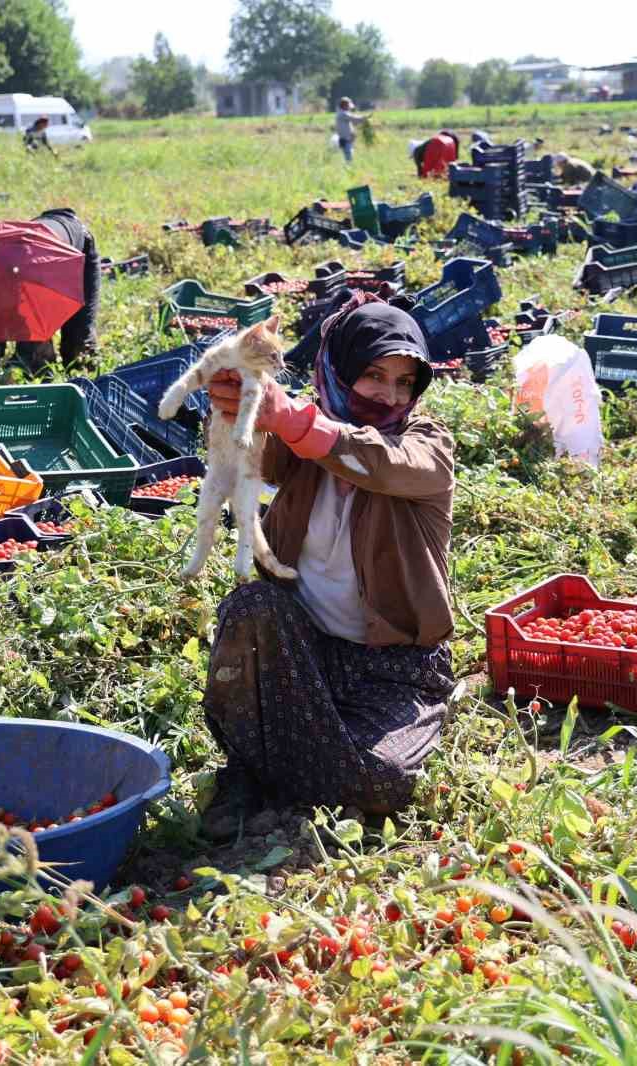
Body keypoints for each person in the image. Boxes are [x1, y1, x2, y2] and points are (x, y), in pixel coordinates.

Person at [197, 297, 455, 839]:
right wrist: (237, 402)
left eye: (405, 382)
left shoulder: (426, 446)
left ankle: (274, 771)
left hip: (393, 669)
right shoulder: (297, 440)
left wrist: (294, 419)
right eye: (373, 375)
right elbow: (241, 456)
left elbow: (381, 463)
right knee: (253, 605)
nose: (390, 395)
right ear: (337, 372)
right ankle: (252, 769)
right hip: (307, 650)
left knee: (381, 780)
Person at [0, 207, 100, 373]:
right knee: (25, 343)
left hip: (78, 245)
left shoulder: (45, 269)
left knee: (77, 344)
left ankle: (81, 386)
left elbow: (42, 326)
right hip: (40, 239)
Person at [334, 98, 368, 162]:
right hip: (345, 139)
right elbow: (354, 118)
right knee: (349, 159)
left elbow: (353, 122)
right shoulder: (343, 114)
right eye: (348, 106)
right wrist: (364, 118)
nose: (349, 108)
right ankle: (347, 170)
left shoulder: (342, 113)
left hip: (347, 139)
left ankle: (348, 169)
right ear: (344, 105)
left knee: (349, 156)